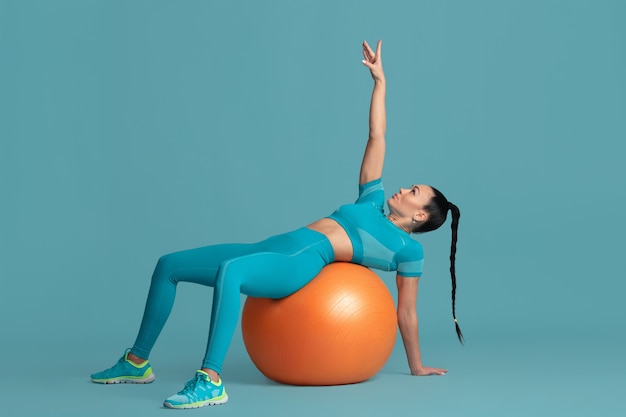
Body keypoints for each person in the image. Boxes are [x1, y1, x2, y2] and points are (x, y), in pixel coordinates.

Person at [91, 40, 463, 409]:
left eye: (413, 190)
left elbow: (407, 311)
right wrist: (380, 82)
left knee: (232, 271)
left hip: (300, 264)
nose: (403, 188)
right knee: (168, 265)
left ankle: (210, 380)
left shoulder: (408, 251)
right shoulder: (372, 201)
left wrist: (416, 366)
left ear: (420, 215)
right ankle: (137, 362)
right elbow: (376, 136)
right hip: (275, 245)